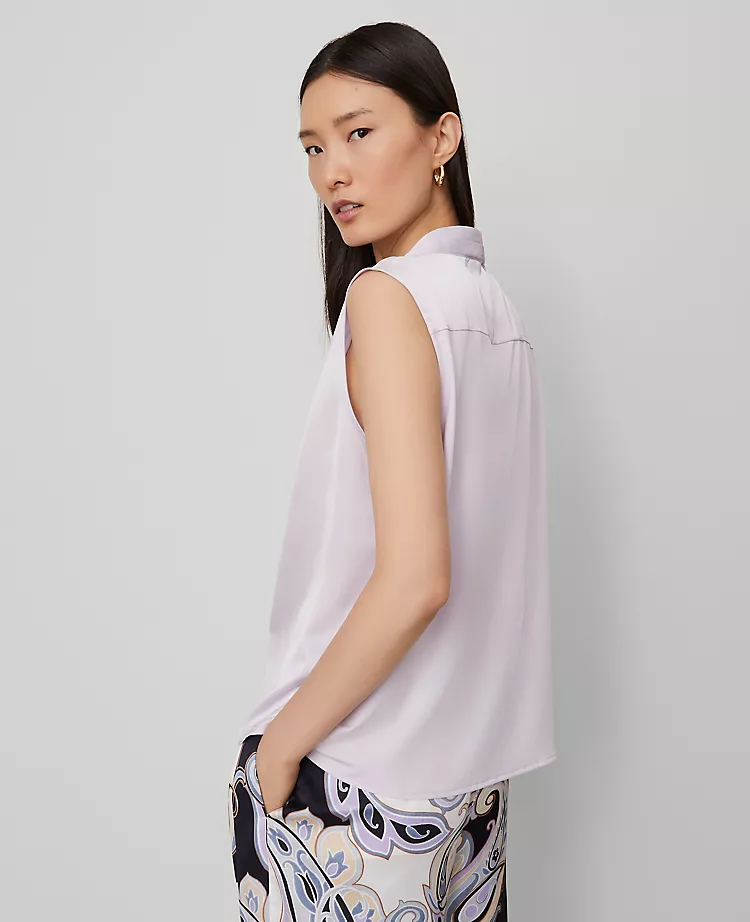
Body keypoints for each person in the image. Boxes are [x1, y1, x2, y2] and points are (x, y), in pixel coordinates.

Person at [227, 21, 556, 922]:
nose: (332, 171)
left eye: (360, 132)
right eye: (312, 147)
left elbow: (418, 578)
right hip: (468, 794)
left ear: (442, 137)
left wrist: (280, 750)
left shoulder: (388, 299)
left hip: (352, 780)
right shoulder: (495, 313)